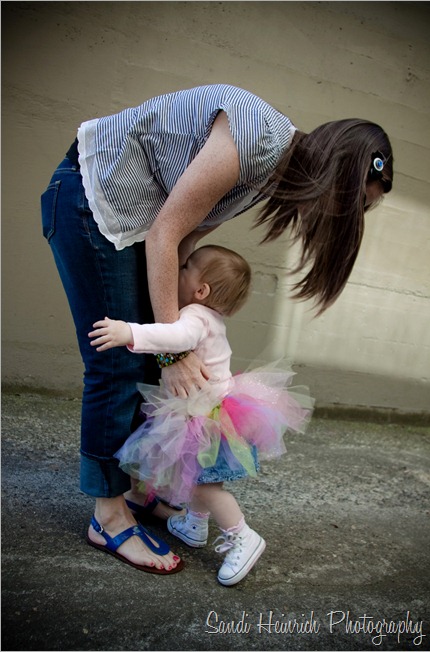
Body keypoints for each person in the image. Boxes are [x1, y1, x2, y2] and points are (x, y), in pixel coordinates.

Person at [41, 83, 393, 576]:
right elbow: (167, 233)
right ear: (340, 173)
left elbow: (183, 236)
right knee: (119, 362)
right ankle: (108, 515)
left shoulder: (267, 169)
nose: (345, 217)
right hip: (89, 201)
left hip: (134, 223)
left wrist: (183, 331)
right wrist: (172, 350)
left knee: (148, 353)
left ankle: (140, 494)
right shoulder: (257, 140)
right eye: (354, 203)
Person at [88, 244, 312, 585]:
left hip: (203, 420)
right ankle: (194, 524)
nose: (177, 269)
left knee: (202, 486)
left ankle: (243, 537)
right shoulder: (211, 317)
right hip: (212, 414)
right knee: (202, 478)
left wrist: (128, 332)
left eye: (185, 267)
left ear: (201, 289)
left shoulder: (193, 316)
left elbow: (174, 336)